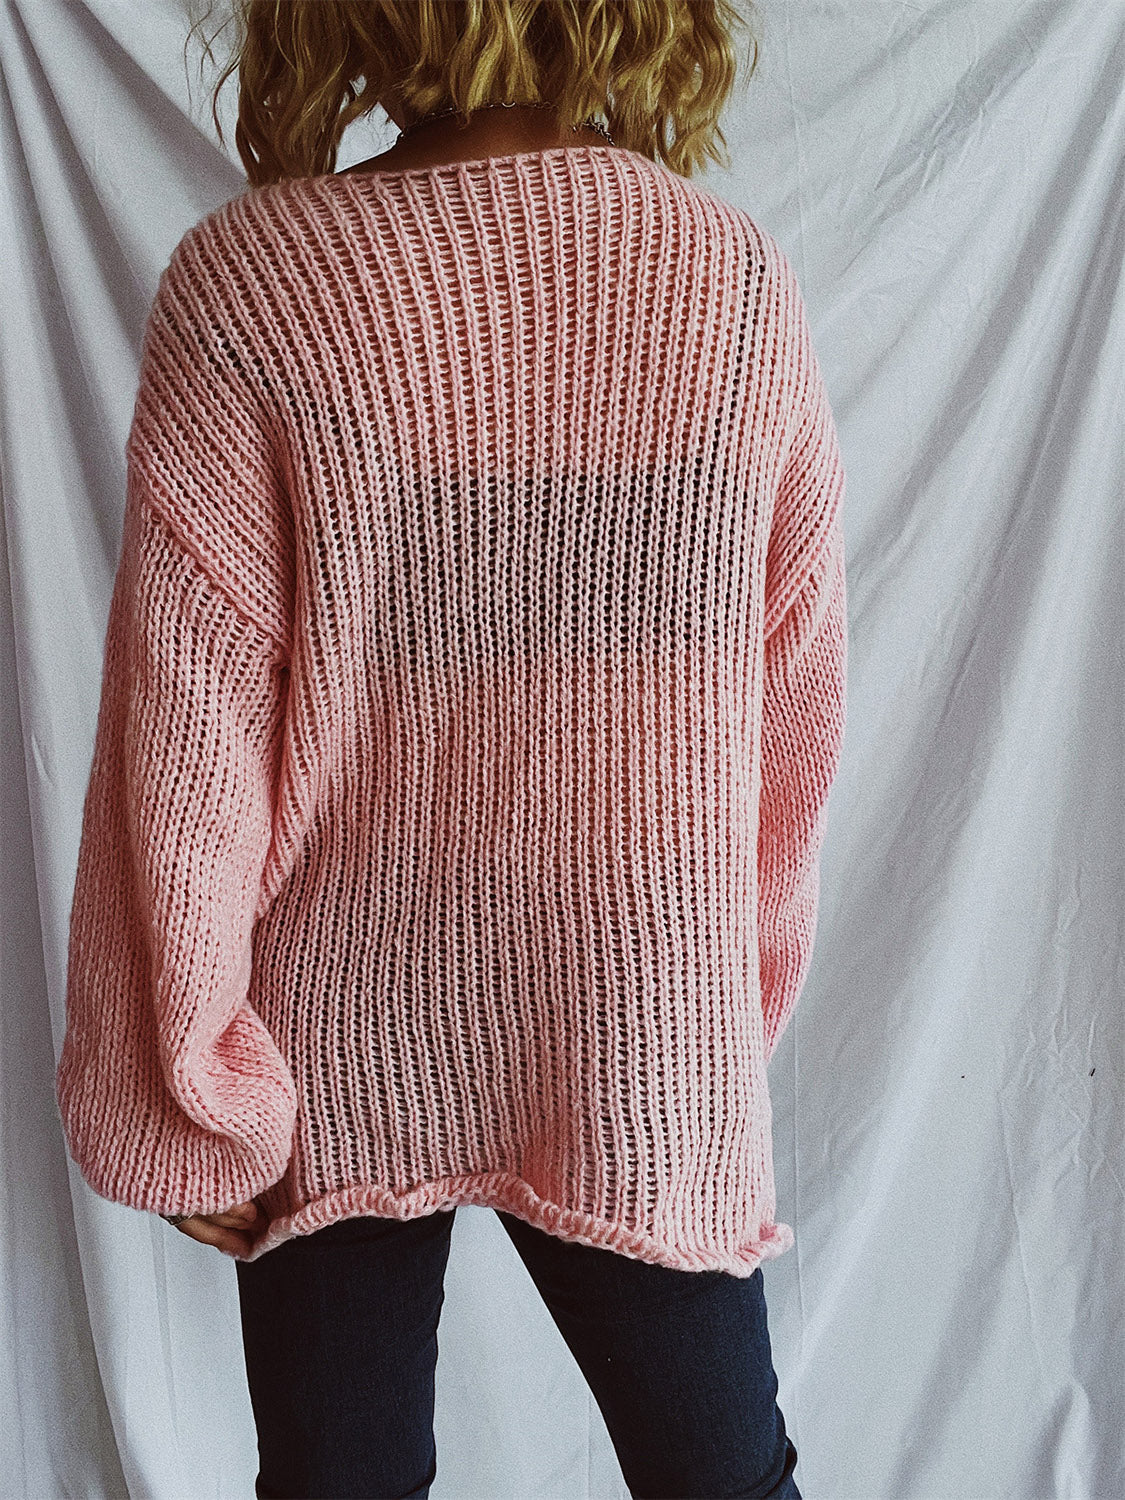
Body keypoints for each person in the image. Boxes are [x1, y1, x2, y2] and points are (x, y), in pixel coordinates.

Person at [57, 2, 848, 1496]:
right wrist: (720, 1005)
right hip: (639, 1005)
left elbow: (188, 733)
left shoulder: (255, 285)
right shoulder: (724, 278)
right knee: (725, 1479)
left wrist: (186, 1081)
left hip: (326, 1029)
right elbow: (789, 708)